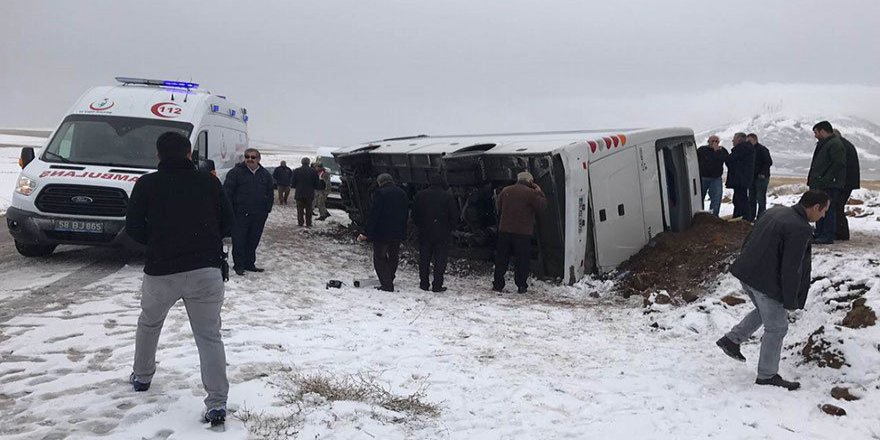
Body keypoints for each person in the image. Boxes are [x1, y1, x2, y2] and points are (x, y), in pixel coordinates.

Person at [125, 131, 233, 425]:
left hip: (161, 271)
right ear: (189, 154)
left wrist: (159, 241)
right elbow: (228, 222)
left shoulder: (147, 184)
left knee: (149, 324)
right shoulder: (209, 182)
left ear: (158, 155)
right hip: (206, 271)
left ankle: (142, 377)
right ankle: (217, 404)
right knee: (209, 337)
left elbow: (133, 227)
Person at [716, 189, 829, 391]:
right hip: (765, 281)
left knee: (764, 312)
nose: (823, 216)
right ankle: (767, 375)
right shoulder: (800, 228)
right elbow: (791, 267)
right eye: (823, 212)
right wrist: (790, 300)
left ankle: (732, 340)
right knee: (777, 327)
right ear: (815, 207)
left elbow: (749, 239)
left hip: (747, 273)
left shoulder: (775, 212)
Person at [493, 171, 546, 294]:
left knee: (502, 258)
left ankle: (498, 284)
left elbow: (498, 206)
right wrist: (539, 191)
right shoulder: (532, 193)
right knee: (522, 260)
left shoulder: (506, 190)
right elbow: (542, 206)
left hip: (504, 230)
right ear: (530, 181)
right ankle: (521, 285)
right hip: (522, 233)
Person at [224, 148, 274, 275]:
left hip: (258, 214)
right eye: (247, 157)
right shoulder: (235, 173)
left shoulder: (265, 174)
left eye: (253, 157)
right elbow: (227, 193)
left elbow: (270, 193)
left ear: (258, 159)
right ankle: (239, 265)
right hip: (239, 214)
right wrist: (230, 211)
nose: (249, 159)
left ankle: (249, 263)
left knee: (253, 240)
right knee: (239, 240)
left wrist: (267, 209)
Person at [357, 174, 409, 292]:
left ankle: (386, 284)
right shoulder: (402, 193)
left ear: (380, 182)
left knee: (380, 257)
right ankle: (389, 278)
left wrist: (367, 232)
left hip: (382, 232)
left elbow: (374, 214)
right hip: (397, 231)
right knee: (393, 256)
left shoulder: (380, 193)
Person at [412, 174, 459, 292]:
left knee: (424, 260)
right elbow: (454, 216)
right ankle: (437, 284)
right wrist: (450, 228)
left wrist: (420, 225)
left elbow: (414, 215)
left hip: (425, 233)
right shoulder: (448, 197)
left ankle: (424, 283)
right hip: (442, 234)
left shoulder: (420, 195)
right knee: (440, 261)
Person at [807, 121, 846, 244]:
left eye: (816, 132)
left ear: (823, 131)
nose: (815, 135)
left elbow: (838, 164)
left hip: (829, 185)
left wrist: (825, 179)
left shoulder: (835, 144)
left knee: (828, 209)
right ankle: (820, 233)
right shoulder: (825, 144)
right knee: (819, 208)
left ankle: (827, 235)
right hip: (822, 183)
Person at [833, 129, 860, 241]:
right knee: (838, 206)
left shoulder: (841, 146)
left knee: (837, 206)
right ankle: (841, 232)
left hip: (844, 182)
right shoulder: (847, 144)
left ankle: (841, 233)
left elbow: (840, 165)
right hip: (848, 182)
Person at [725, 132, 756, 220]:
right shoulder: (747, 149)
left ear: (739, 139)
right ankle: (739, 216)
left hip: (740, 179)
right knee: (739, 198)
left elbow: (730, 159)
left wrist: (721, 153)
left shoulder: (741, 149)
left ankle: (744, 218)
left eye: (734, 139)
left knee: (740, 199)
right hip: (743, 178)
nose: (732, 141)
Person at [696, 135, 729, 216]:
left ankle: (713, 216)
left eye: (716, 141)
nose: (714, 143)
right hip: (703, 178)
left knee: (716, 199)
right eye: (712, 141)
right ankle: (699, 216)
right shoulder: (702, 150)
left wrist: (717, 151)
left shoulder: (722, 150)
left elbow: (726, 159)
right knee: (699, 198)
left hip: (715, 178)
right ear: (708, 141)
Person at [747, 133, 773, 221]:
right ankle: (751, 217)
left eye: (750, 141)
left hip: (761, 178)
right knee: (751, 198)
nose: (748, 143)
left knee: (760, 198)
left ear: (755, 140)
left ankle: (761, 218)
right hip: (752, 178)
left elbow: (768, 162)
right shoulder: (749, 150)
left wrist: (762, 173)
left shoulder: (762, 149)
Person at [291, 157, 320, 227]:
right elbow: (316, 183)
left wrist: (297, 186)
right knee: (309, 209)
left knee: (300, 210)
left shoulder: (296, 171)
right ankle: (308, 223)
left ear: (302, 162)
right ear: (309, 162)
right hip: (309, 194)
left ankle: (300, 223)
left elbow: (293, 183)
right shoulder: (313, 171)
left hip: (299, 193)